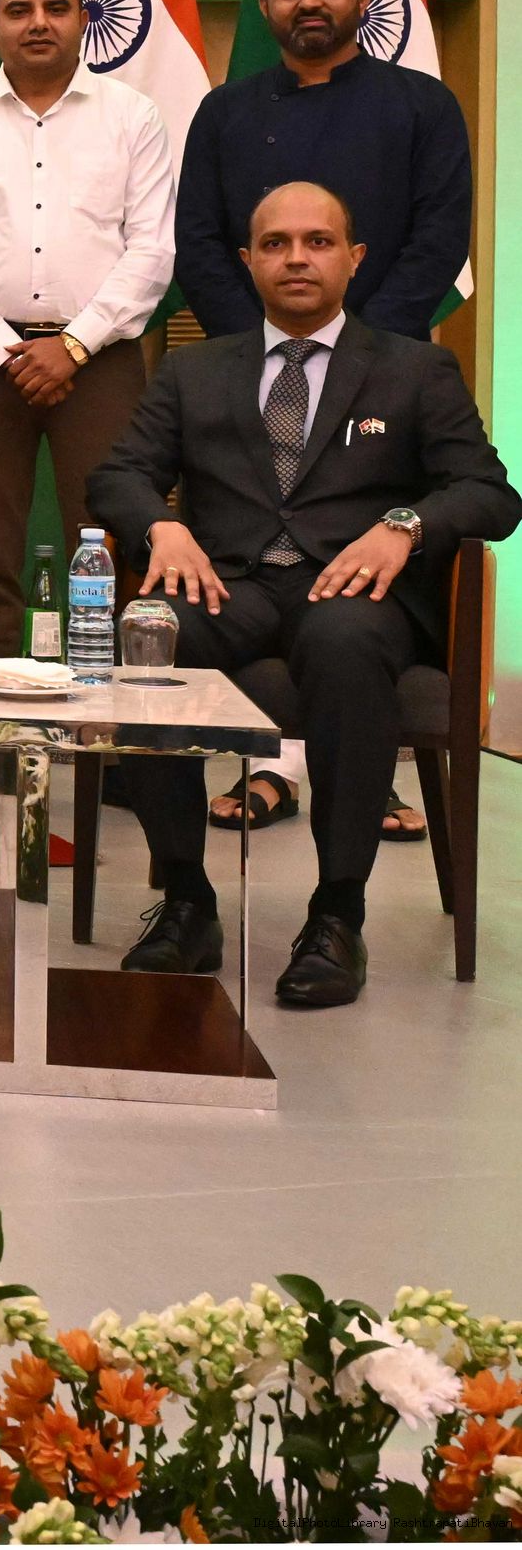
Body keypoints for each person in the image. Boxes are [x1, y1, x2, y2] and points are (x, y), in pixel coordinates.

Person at [89, 181, 517, 1009]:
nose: (296, 258)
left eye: (318, 242)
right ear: (247, 262)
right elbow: (118, 476)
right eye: (276, 244)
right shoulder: (192, 370)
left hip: (354, 596)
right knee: (148, 628)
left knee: (344, 639)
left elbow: (489, 493)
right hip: (232, 587)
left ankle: (337, 915)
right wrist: (160, 528)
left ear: (354, 260)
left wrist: (404, 526)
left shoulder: (415, 368)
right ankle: (186, 902)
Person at [0, 0, 176, 804]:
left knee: (112, 548)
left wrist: (75, 345)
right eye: (18, 9)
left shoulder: (133, 118)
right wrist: (7, 349)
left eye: (56, 7)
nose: (38, 23)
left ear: (83, 19)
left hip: (102, 361)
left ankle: (114, 748)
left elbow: (151, 250)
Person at [174, 0, 472, 342]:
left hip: (387, 353)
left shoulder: (425, 103)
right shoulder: (222, 111)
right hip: (247, 355)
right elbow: (197, 243)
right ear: (264, 6)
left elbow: (439, 240)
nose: (309, 2)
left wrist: (359, 348)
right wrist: (258, 345)